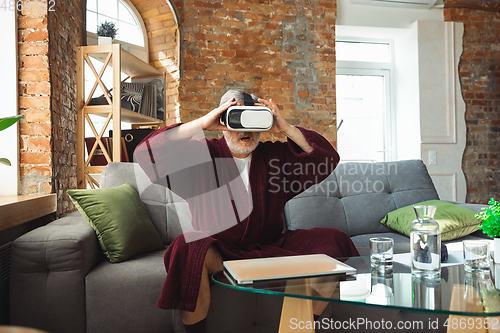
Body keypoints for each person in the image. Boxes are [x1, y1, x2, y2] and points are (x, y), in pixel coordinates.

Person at [134, 89, 359, 333]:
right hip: (219, 249)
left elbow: (326, 159)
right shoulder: (201, 154)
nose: (245, 129)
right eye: (236, 118)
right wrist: (202, 123)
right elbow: (147, 153)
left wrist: (285, 128)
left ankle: (299, 326)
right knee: (187, 247)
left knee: (333, 240)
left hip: (271, 245)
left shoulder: (274, 156)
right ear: (222, 122)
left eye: (253, 119)